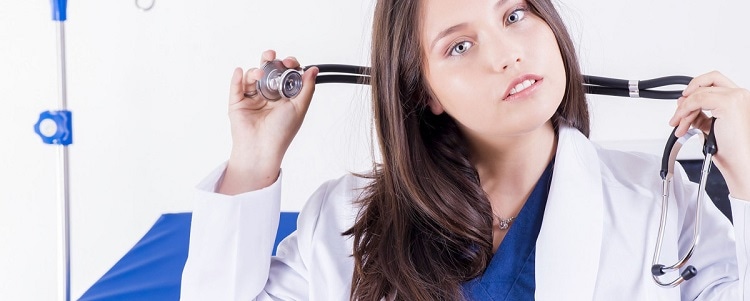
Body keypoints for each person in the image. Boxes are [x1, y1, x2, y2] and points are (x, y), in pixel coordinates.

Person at [180, 0, 750, 300]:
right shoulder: (344, 218)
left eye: (515, 14)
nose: (506, 54)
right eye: (459, 45)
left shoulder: (658, 200)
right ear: (422, 90)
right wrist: (254, 160)